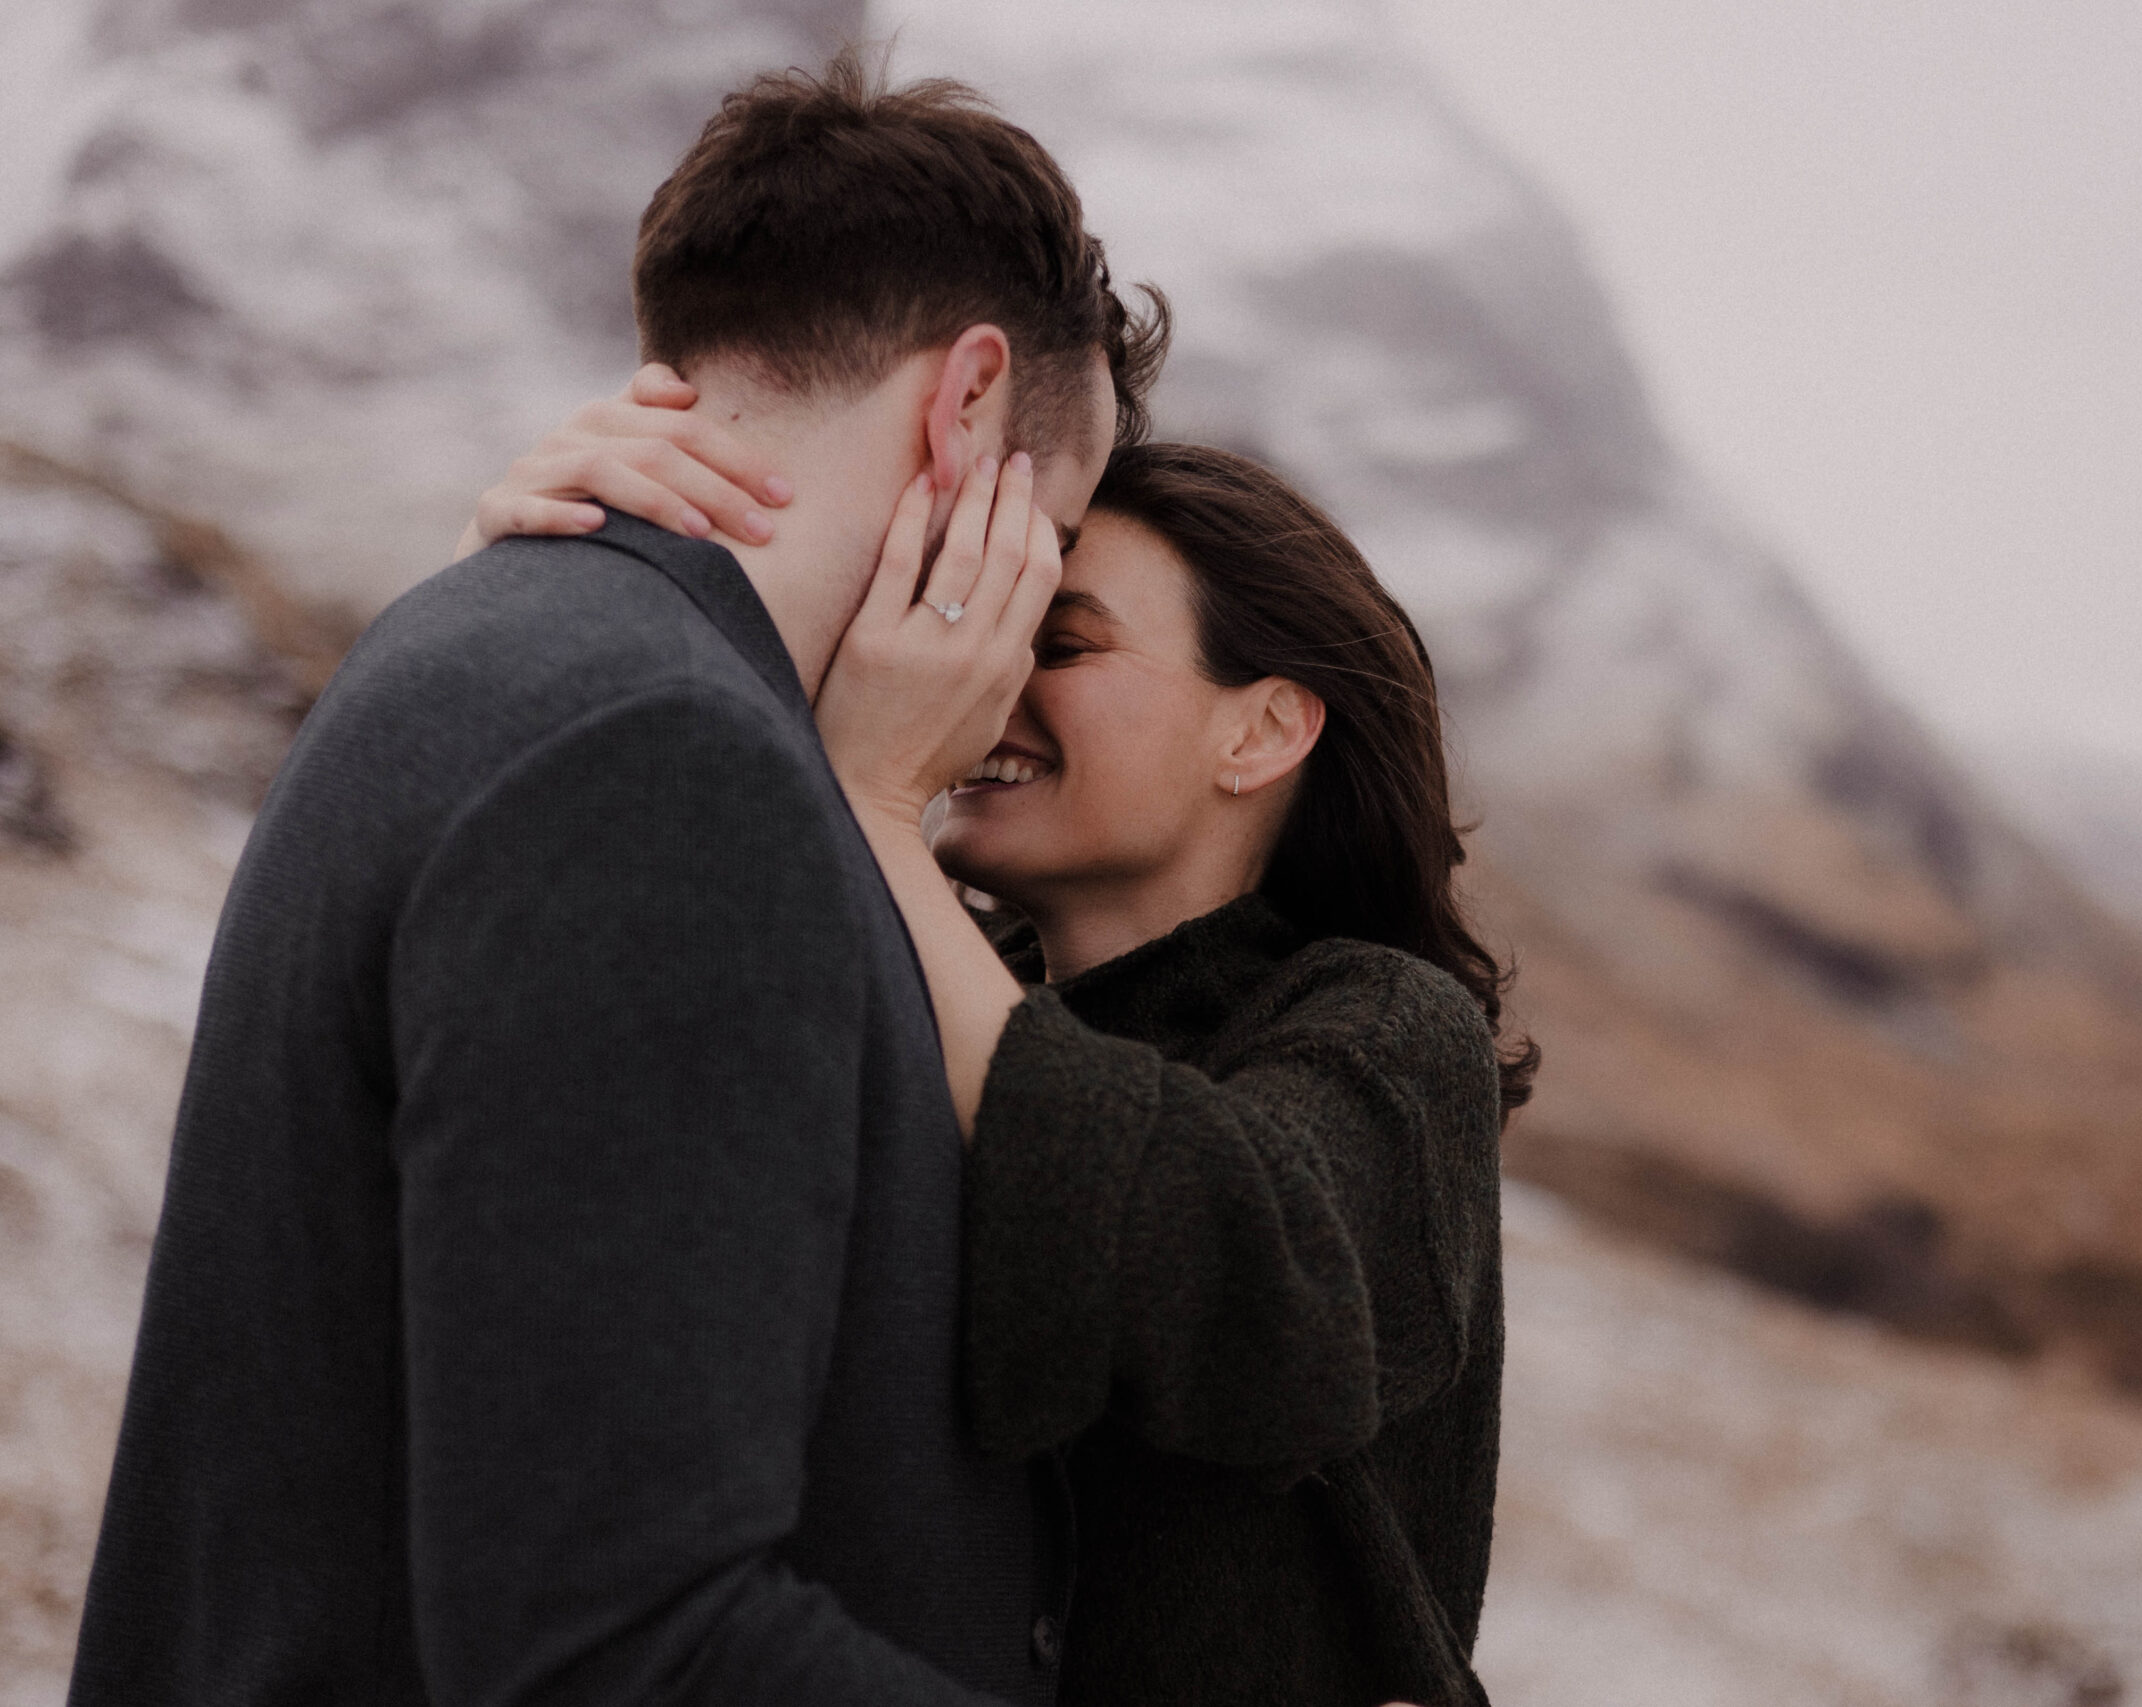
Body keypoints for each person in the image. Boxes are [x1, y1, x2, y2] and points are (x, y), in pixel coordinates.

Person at [71, 53, 1163, 1707]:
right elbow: (620, 1641)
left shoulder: (468, 631)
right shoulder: (669, 762)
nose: (1020, 666)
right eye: (1052, 534)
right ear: (965, 405)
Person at [472, 387, 1537, 1702]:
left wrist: (870, 801)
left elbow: (1245, 1290)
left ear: (1259, 730)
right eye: (993, 628)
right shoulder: (918, 967)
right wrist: (565, 581)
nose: (986, 680)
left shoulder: (1384, 1027)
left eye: (1065, 642)